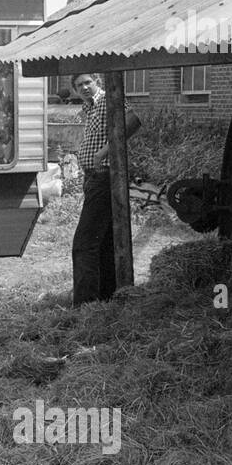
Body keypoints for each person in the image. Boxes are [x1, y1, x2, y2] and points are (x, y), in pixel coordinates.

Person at [70, 73, 142, 306]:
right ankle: (107, 297)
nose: (84, 87)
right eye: (79, 85)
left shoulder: (106, 100)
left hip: (104, 177)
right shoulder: (89, 108)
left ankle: (85, 305)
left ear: (98, 82)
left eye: (88, 82)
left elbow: (132, 120)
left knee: (84, 242)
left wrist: (105, 151)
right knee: (105, 241)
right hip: (94, 178)